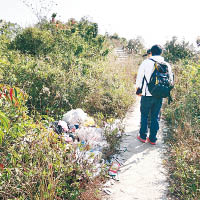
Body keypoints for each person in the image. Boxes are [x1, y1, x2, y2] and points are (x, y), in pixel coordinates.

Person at [135, 45, 173, 145]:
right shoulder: (166, 65)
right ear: (161, 53)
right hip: (159, 95)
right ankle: (153, 139)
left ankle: (142, 136)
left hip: (147, 94)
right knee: (155, 116)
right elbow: (171, 81)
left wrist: (138, 90)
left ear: (151, 52)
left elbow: (139, 78)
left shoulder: (146, 62)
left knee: (144, 115)